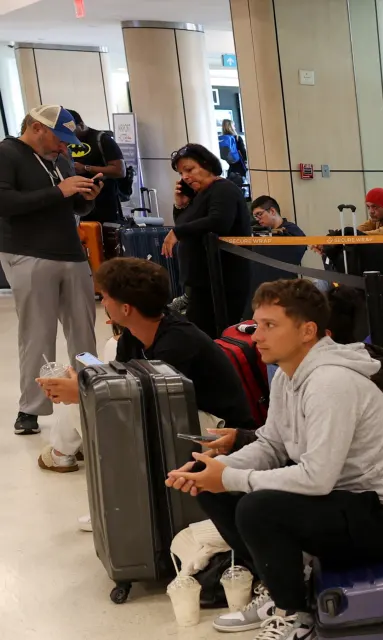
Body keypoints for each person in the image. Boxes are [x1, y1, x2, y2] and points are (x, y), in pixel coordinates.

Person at [165, 278, 383, 640]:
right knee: (215, 485)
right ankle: (275, 586)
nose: (257, 337)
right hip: (343, 499)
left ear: (307, 331)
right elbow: (271, 445)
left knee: (258, 506)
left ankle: (294, 615)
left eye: (270, 326)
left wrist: (231, 478)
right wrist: (214, 472)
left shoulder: (330, 383)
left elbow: (317, 478)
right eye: (256, 325)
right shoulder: (288, 375)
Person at [34, 258, 259, 472]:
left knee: (86, 400)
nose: (102, 303)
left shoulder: (177, 343)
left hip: (220, 432)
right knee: (89, 386)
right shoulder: (138, 333)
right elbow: (127, 385)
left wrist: (82, 392)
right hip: (185, 416)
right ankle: (68, 448)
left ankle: (65, 452)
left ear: (126, 308)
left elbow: (146, 405)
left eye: (105, 297)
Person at [0, 104, 99, 435]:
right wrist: (59, 190)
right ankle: (31, 408)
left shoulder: (60, 159)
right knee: (38, 333)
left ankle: (93, 397)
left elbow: (70, 204)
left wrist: (86, 196)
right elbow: (5, 204)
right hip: (28, 252)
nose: (64, 147)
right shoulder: (7, 153)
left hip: (70, 252)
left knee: (84, 333)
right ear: (37, 128)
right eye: (59, 139)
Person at [163, 143, 251, 336]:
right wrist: (180, 205)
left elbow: (218, 222)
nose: (185, 177)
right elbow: (185, 225)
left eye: (190, 169)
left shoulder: (223, 189)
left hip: (222, 282)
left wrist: (178, 233)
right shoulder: (199, 196)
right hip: (201, 283)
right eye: (181, 173)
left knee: (213, 336)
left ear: (207, 164)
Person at [66, 111, 124, 258]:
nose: (70, 137)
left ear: (81, 125)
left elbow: (119, 170)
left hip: (104, 202)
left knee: (108, 246)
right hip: (77, 203)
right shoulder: (64, 143)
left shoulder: (101, 139)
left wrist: (86, 168)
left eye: (72, 131)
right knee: (85, 244)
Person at [248, 195, 307, 283]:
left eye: (259, 214)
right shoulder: (258, 232)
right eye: (255, 217)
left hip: (283, 288)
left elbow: (290, 253)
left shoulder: (292, 230)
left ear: (272, 211)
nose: (258, 220)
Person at [217, 119, 247, 185]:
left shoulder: (221, 139)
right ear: (231, 126)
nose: (235, 127)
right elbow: (243, 152)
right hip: (240, 166)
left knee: (232, 185)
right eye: (233, 125)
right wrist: (246, 161)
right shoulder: (237, 138)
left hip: (231, 167)